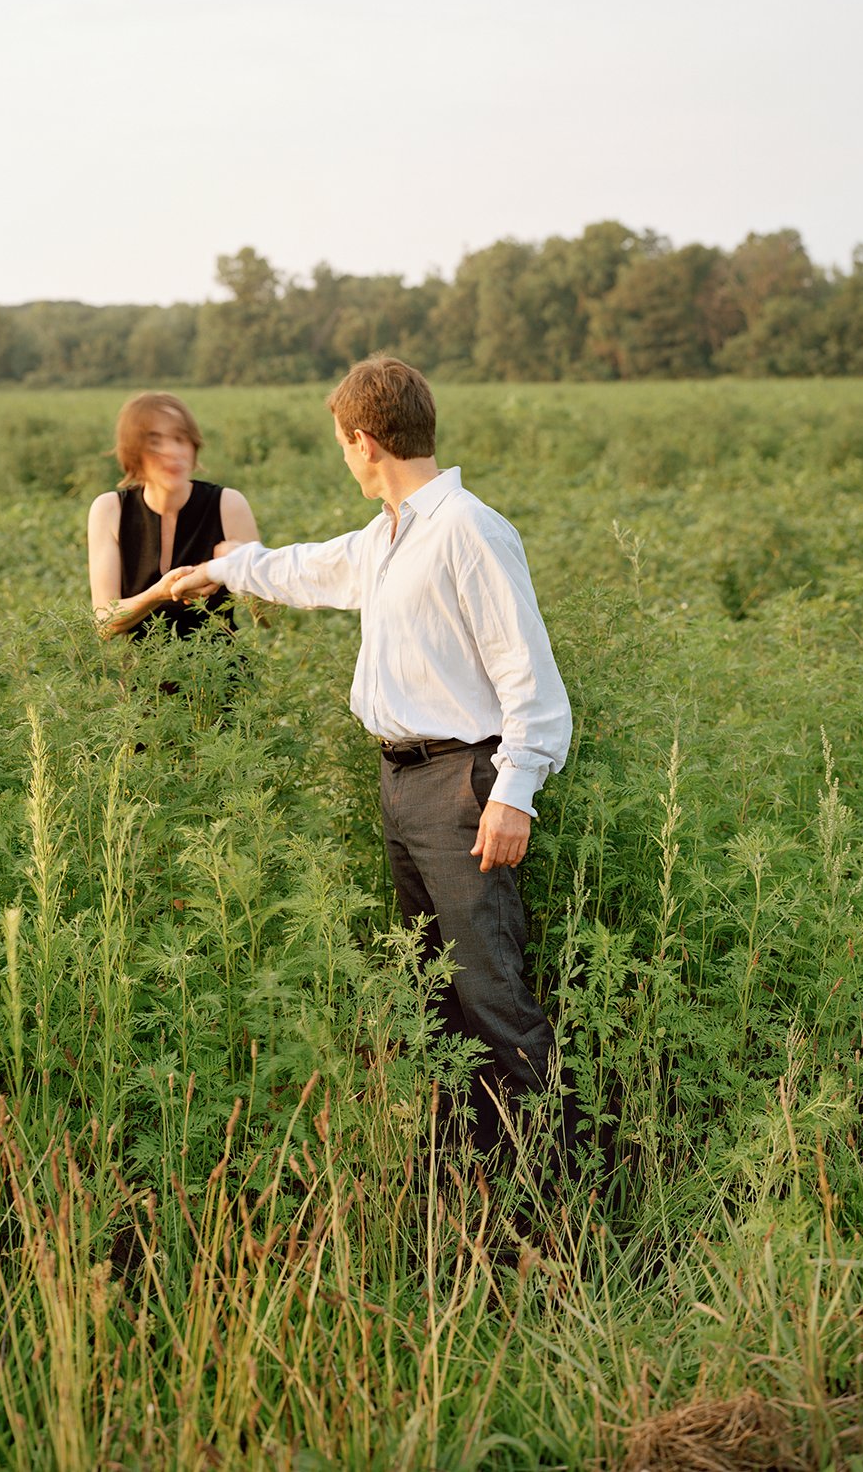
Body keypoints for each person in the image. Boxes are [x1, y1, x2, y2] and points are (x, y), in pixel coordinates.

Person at [171, 357, 573, 1166]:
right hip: (400, 782)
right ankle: (472, 1172)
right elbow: (307, 567)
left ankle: (557, 1191)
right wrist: (215, 571)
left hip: (461, 785)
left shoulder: (467, 528)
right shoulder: (390, 534)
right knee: (436, 993)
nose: (343, 458)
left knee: (491, 994)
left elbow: (530, 677)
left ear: (363, 442)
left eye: (341, 444)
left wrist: (514, 793)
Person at [87, 392, 259, 640]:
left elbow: (266, 618)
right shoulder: (110, 510)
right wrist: (158, 593)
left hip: (222, 676)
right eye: (155, 442)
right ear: (133, 451)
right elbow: (104, 623)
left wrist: (248, 568)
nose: (172, 451)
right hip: (144, 677)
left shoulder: (229, 505)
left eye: (180, 439)